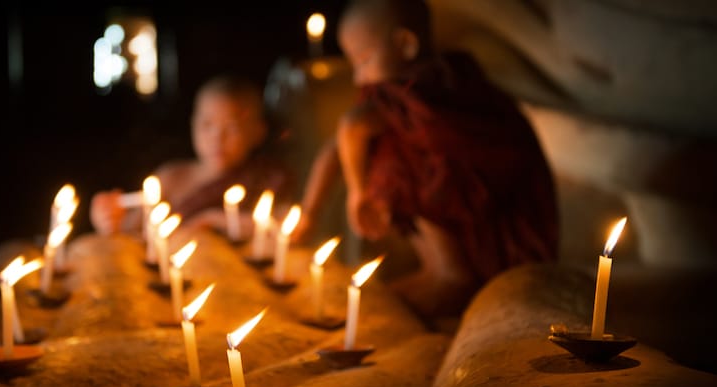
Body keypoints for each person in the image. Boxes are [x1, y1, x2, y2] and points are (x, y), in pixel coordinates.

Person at [292, 0, 559, 317]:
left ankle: (450, 273)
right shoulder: (442, 83)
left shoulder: (421, 91)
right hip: (488, 194)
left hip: (473, 199)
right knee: (385, 148)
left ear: (406, 44)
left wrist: (357, 193)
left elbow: (352, 127)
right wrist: (309, 212)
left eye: (363, 61)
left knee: (396, 156)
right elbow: (336, 146)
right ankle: (437, 270)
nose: (357, 79)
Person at [90, 74, 294, 238]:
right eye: (207, 125)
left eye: (232, 128)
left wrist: (212, 220)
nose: (217, 139)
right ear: (192, 126)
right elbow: (130, 233)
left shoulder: (266, 179)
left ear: (258, 132)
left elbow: (282, 227)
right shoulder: (172, 177)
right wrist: (109, 220)